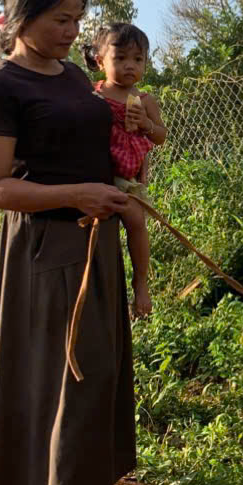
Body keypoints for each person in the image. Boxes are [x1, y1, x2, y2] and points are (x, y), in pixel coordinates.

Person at [0, 0, 134, 485]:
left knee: (99, 366)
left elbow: (96, 142)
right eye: (61, 19)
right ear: (17, 18)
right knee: (68, 372)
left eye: (77, 20)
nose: (72, 31)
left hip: (96, 240)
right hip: (47, 248)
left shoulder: (71, 77)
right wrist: (78, 196)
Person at [83, 22, 167, 318]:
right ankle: (93, 290)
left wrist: (145, 123)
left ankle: (141, 285)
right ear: (100, 60)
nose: (130, 66)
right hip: (97, 177)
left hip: (128, 180)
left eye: (138, 59)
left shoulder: (145, 100)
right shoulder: (91, 96)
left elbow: (160, 135)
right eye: (120, 59)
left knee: (135, 221)